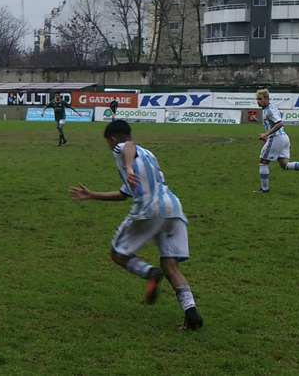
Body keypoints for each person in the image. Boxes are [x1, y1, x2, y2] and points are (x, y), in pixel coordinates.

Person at [69, 120, 203, 331]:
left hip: (150, 210)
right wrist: (92, 195)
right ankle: (191, 312)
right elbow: (124, 194)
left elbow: (127, 146)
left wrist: (128, 166)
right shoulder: (148, 154)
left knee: (117, 254)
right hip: (173, 208)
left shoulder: (122, 148)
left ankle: (149, 272)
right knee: (171, 266)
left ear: (113, 140)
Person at [254, 88, 299, 192]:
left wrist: (266, 134)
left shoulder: (269, 110)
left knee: (263, 162)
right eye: (257, 99)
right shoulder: (269, 108)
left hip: (276, 138)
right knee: (285, 165)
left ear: (267, 99)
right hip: (283, 138)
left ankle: (264, 189)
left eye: (260, 99)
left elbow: (280, 123)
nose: (258, 101)